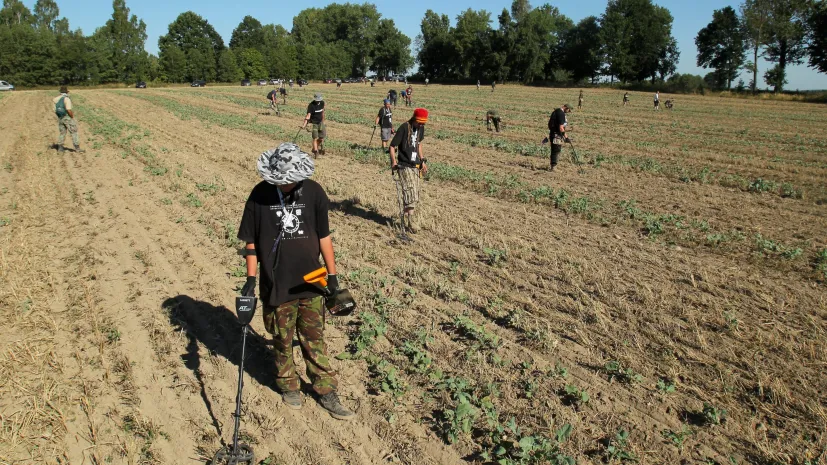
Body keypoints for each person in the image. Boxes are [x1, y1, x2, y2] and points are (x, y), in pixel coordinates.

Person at [237, 142, 355, 421]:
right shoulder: (259, 196)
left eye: (293, 179)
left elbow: (324, 237)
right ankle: (288, 384)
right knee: (281, 338)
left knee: (314, 338)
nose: (290, 184)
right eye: (285, 180)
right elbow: (251, 242)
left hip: (312, 282)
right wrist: (250, 280)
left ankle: (326, 390)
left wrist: (333, 276)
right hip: (276, 283)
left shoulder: (314, 192)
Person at [389, 108, 429, 233]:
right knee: (409, 192)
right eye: (419, 122)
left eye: (423, 123)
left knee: (415, 194)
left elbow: (419, 144)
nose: (421, 125)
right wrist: (393, 162)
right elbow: (392, 146)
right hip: (404, 164)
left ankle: (408, 220)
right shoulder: (404, 128)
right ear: (414, 119)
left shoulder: (421, 128)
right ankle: (410, 221)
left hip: (415, 165)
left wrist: (422, 160)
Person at [53, 86, 85, 153]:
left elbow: (54, 110)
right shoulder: (66, 99)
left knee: (62, 133)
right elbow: (68, 110)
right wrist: (72, 117)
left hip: (60, 118)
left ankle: (60, 148)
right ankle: (77, 148)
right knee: (74, 132)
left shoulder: (55, 99)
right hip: (67, 117)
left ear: (60, 92)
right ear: (67, 92)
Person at [547, 103, 573, 172]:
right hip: (556, 135)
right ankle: (553, 167)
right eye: (569, 110)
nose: (569, 112)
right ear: (566, 108)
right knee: (556, 150)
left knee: (554, 150)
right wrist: (566, 138)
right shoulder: (561, 114)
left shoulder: (555, 111)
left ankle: (553, 165)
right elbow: (561, 128)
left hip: (552, 133)